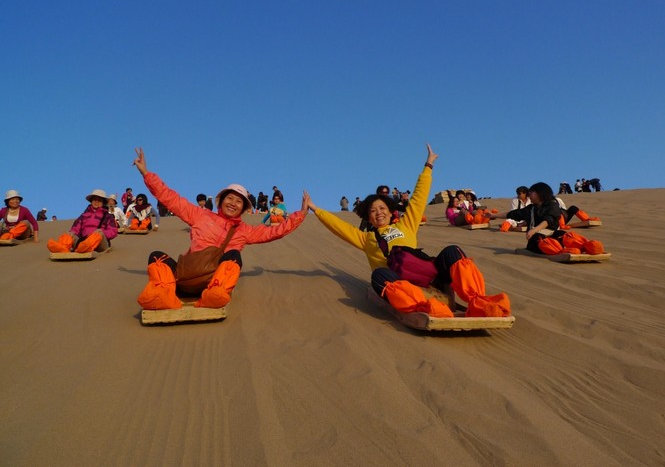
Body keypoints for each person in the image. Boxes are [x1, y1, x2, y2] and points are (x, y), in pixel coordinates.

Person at [304, 144, 511, 319]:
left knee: (452, 251)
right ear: (368, 217)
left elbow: (419, 197)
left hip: (428, 276)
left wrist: (428, 165)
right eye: (373, 211)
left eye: (382, 209)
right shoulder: (366, 238)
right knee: (378, 275)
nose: (379, 213)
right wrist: (315, 208)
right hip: (402, 284)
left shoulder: (406, 224)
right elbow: (339, 227)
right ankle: (424, 306)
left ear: (390, 211)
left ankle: (478, 301)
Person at [131, 147, 308, 310]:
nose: (233, 203)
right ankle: (164, 295)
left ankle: (215, 293)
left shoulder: (244, 230)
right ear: (221, 201)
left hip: (212, 281)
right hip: (186, 277)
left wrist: (300, 214)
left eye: (239, 201)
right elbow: (171, 199)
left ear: (244, 208)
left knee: (233, 256)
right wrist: (146, 173)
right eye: (230, 198)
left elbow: (274, 231)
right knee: (156, 256)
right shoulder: (201, 215)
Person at [490, 182, 603, 255]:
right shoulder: (530, 208)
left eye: (532, 192)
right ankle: (563, 250)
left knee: (562, 234)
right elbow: (513, 214)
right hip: (536, 239)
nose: (529, 194)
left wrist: (534, 229)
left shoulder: (552, 205)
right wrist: (493, 216)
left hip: (550, 232)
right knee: (538, 238)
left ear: (540, 193)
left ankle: (587, 246)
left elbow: (548, 220)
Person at [47, 189, 117, 253]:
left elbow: (113, 231)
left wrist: (102, 232)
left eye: (99, 200)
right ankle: (62, 247)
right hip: (83, 240)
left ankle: (85, 247)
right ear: (91, 201)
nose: (96, 202)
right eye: (94, 199)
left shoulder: (108, 216)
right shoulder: (84, 215)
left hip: (100, 243)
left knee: (98, 234)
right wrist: (72, 233)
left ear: (103, 202)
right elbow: (75, 228)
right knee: (69, 234)